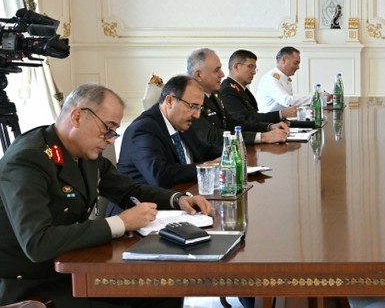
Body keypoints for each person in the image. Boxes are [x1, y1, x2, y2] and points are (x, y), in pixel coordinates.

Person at [0, 83, 212, 308]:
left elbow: (129, 189)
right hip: (36, 283)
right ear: (77, 116)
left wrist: (177, 199)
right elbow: (37, 243)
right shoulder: (28, 160)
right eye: (108, 128)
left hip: (75, 265)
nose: (111, 140)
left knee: (166, 288)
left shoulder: (83, 153)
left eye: (114, 131)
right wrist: (120, 223)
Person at [117, 75, 220, 189]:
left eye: (200, 108)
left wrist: (229, 154)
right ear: (169, 101)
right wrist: (205, 167)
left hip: (183, 194)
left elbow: (203, 151)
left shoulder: (181, 123)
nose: (197, 115)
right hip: (145, 199)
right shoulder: (144, 129)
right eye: (192, 107)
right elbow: (159, 175)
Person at [186, 48, 288, 147]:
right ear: (198, 74)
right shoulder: (188, 101)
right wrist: (262, 137)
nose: (222, 74)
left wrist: (269, 127)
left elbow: (233, 123)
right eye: (216, 70)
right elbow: (212, 136)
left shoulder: (214, 94)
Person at [220, 49, 297, 124]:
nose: (254, 72)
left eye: (255, 68)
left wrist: (274, 125)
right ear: (237, 67)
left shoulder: (241, 89)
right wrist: (281, 114)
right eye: (250, 66)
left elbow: (253, 117)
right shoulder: (227, 90)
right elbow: (245, 119)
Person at [256, 46, 327, 113]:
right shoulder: (270, 79)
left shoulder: (284, 78)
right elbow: (288, 101)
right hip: (270, 120)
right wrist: (317, 98)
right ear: (284, 60)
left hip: (282, 118)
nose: (298, 67)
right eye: (295, 63)